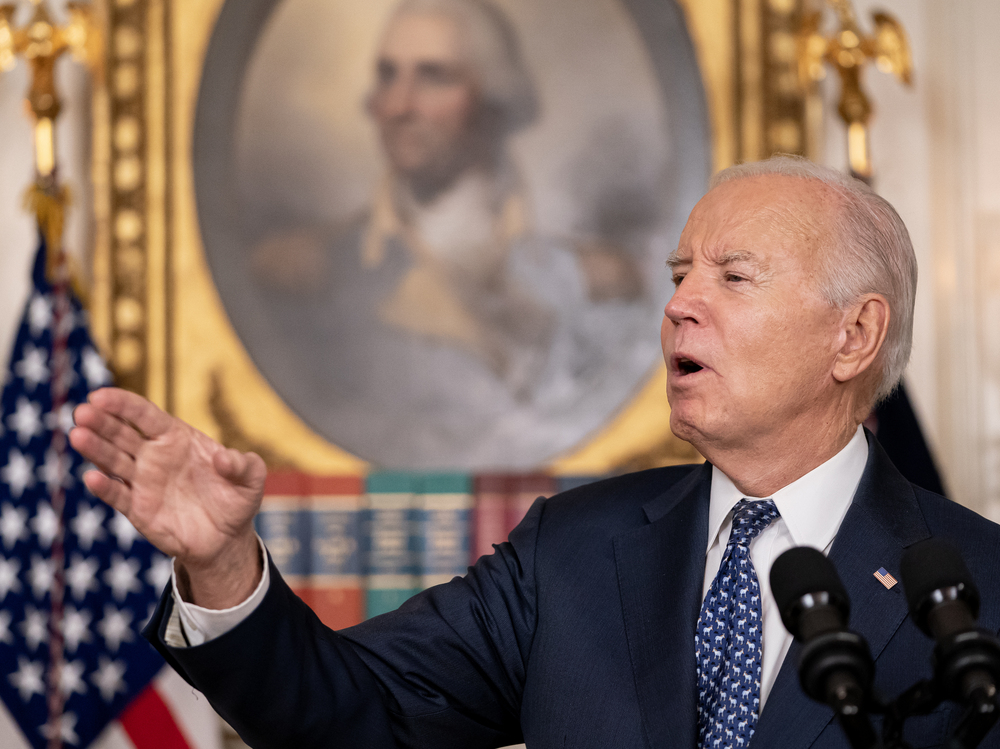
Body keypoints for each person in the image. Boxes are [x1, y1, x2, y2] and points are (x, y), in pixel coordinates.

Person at [70, 157, 1000, 748]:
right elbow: (351, 714)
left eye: (734, 277)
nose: (680, 303)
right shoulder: (574, 550)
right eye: (680, 275)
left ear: (854, 336)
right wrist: (223, 562)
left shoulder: (978, 586)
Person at [241, 0, 659, 469]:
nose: (399, 105)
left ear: (493, 101)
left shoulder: (594, 281)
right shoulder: (303, 272)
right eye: (386, 74)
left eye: (433, 77)